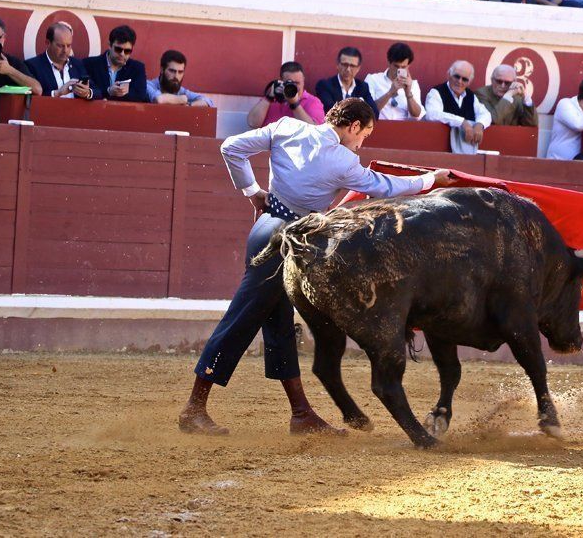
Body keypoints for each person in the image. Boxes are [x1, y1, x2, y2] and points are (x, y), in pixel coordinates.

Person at [178, 98, 456, 436]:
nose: (361, 142)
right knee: (241, 318)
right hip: (286, 241)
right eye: (364, 135)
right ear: (353, 126)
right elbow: (386, 186)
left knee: (278, 324)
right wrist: (431, 180)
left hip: (268, 228)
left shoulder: (287, 127)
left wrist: (252, 191)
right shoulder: (342, 160)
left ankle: (301, 413)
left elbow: (232, 148)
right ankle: (194, 408)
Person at [425, 60, 492, 154]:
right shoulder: (436, 92)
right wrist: (462, 122)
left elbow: (485, 114)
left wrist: (479, 125)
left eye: (464, 79)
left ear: (469, 82)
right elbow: (432, 114)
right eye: (456, 76)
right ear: (448, 75)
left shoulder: (471, 96)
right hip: (441, 150)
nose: (459, 81)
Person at [25, 22, 94, 100]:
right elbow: (29, 97)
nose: (65, 50)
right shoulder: (33, 65)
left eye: (68, 45)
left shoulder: (77, 64)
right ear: (48, 43)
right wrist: (57, 93)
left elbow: (98, 92)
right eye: (60, 46)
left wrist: (87, 93)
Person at [247, 61, 325, 128]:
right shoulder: (272, 100)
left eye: (297, 83)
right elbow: (252, 123)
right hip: (270, 144)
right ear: (281, 81)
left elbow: (314, 131)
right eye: (290, 83)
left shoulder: (313, 102)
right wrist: (269, 98)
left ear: (303, 81)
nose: (293, 86)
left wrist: (294, 104)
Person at [83, 25, 148, 102]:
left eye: (127, 51)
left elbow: (140, 96)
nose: (122, 54)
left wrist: (110, 94)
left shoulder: (137, 68)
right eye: (118, 49)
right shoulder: (89, 65)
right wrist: (109, 91)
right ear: (109, 45)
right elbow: (86, 92)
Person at [364, 42, 426, 121]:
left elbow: (417, 115)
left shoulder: (413, 84)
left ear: (408, 66)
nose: (398, 70)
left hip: (403, 129)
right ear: (389, 63)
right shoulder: (373, 79)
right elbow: (368, 111)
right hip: (378, 127)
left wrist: (408, 93)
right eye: (396, 66)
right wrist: (390, 93)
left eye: (403, 67)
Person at [314, 47, 378, 116]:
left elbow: (374, 113)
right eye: (345, 65)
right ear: (338, 65)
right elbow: (331, 112)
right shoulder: (325, 85)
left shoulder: (362, 87)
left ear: (358, 68)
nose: (348, 69)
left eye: (352, 66)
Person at [474, 64, 538, 127]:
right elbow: (493, 119)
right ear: (492, 80)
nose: (503, 86)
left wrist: (526, 98)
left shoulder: (517, 97)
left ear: (514, 82)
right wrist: (508, 96)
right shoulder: (481, 93)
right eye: (499, 81)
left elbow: (531, 123)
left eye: (507, 83)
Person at [146, 50, 213, 106]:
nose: (176, 76)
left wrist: (190, 105)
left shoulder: (181, 91)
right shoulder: (149, 85)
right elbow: (159, 99)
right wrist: (182, 99)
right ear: (162, 70)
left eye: (180, 72)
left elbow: (208, 101)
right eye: (172, 71)